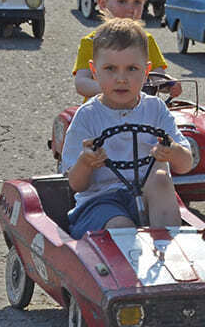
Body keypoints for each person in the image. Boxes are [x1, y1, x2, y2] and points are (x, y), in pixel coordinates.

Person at [61, 18, 193, 239]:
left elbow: (186, 164)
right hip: (100, 203)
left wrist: (173, 152)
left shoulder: (155, 108)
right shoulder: (87, 116)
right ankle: (126, 261)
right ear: (94, 71)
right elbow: (76, 184)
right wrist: (86, 162)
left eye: (132, 69)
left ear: (146, 71)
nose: (121, 79)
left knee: (161, 177)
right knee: (122, 228)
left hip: (148, 196)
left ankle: (167, 248)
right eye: (110, 69)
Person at [73, 0, 181, 100]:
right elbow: (81, 83)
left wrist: (169, 84)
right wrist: (110, 88)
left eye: (137, 2)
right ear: (102, 4)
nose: (131, 9)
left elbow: (156, 75)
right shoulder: (92, 42)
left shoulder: (145, 40)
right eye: (122, 1)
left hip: (139, 110)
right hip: (101, 112)